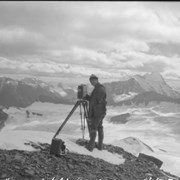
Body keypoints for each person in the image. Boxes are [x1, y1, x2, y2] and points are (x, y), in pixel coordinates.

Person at [85, 74, 107, 152]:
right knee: (99, 127)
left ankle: (91, 146)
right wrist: (86, 97)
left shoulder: (100, 89)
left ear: (96, 80)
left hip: (98, 113)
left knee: (93, 127)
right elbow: (93, 100)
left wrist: (92, 115)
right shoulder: (97, 88)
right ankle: (100, 146)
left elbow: (97, 102)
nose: (91, 82)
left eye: (92, 81)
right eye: (90, 81)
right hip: (100, 112)